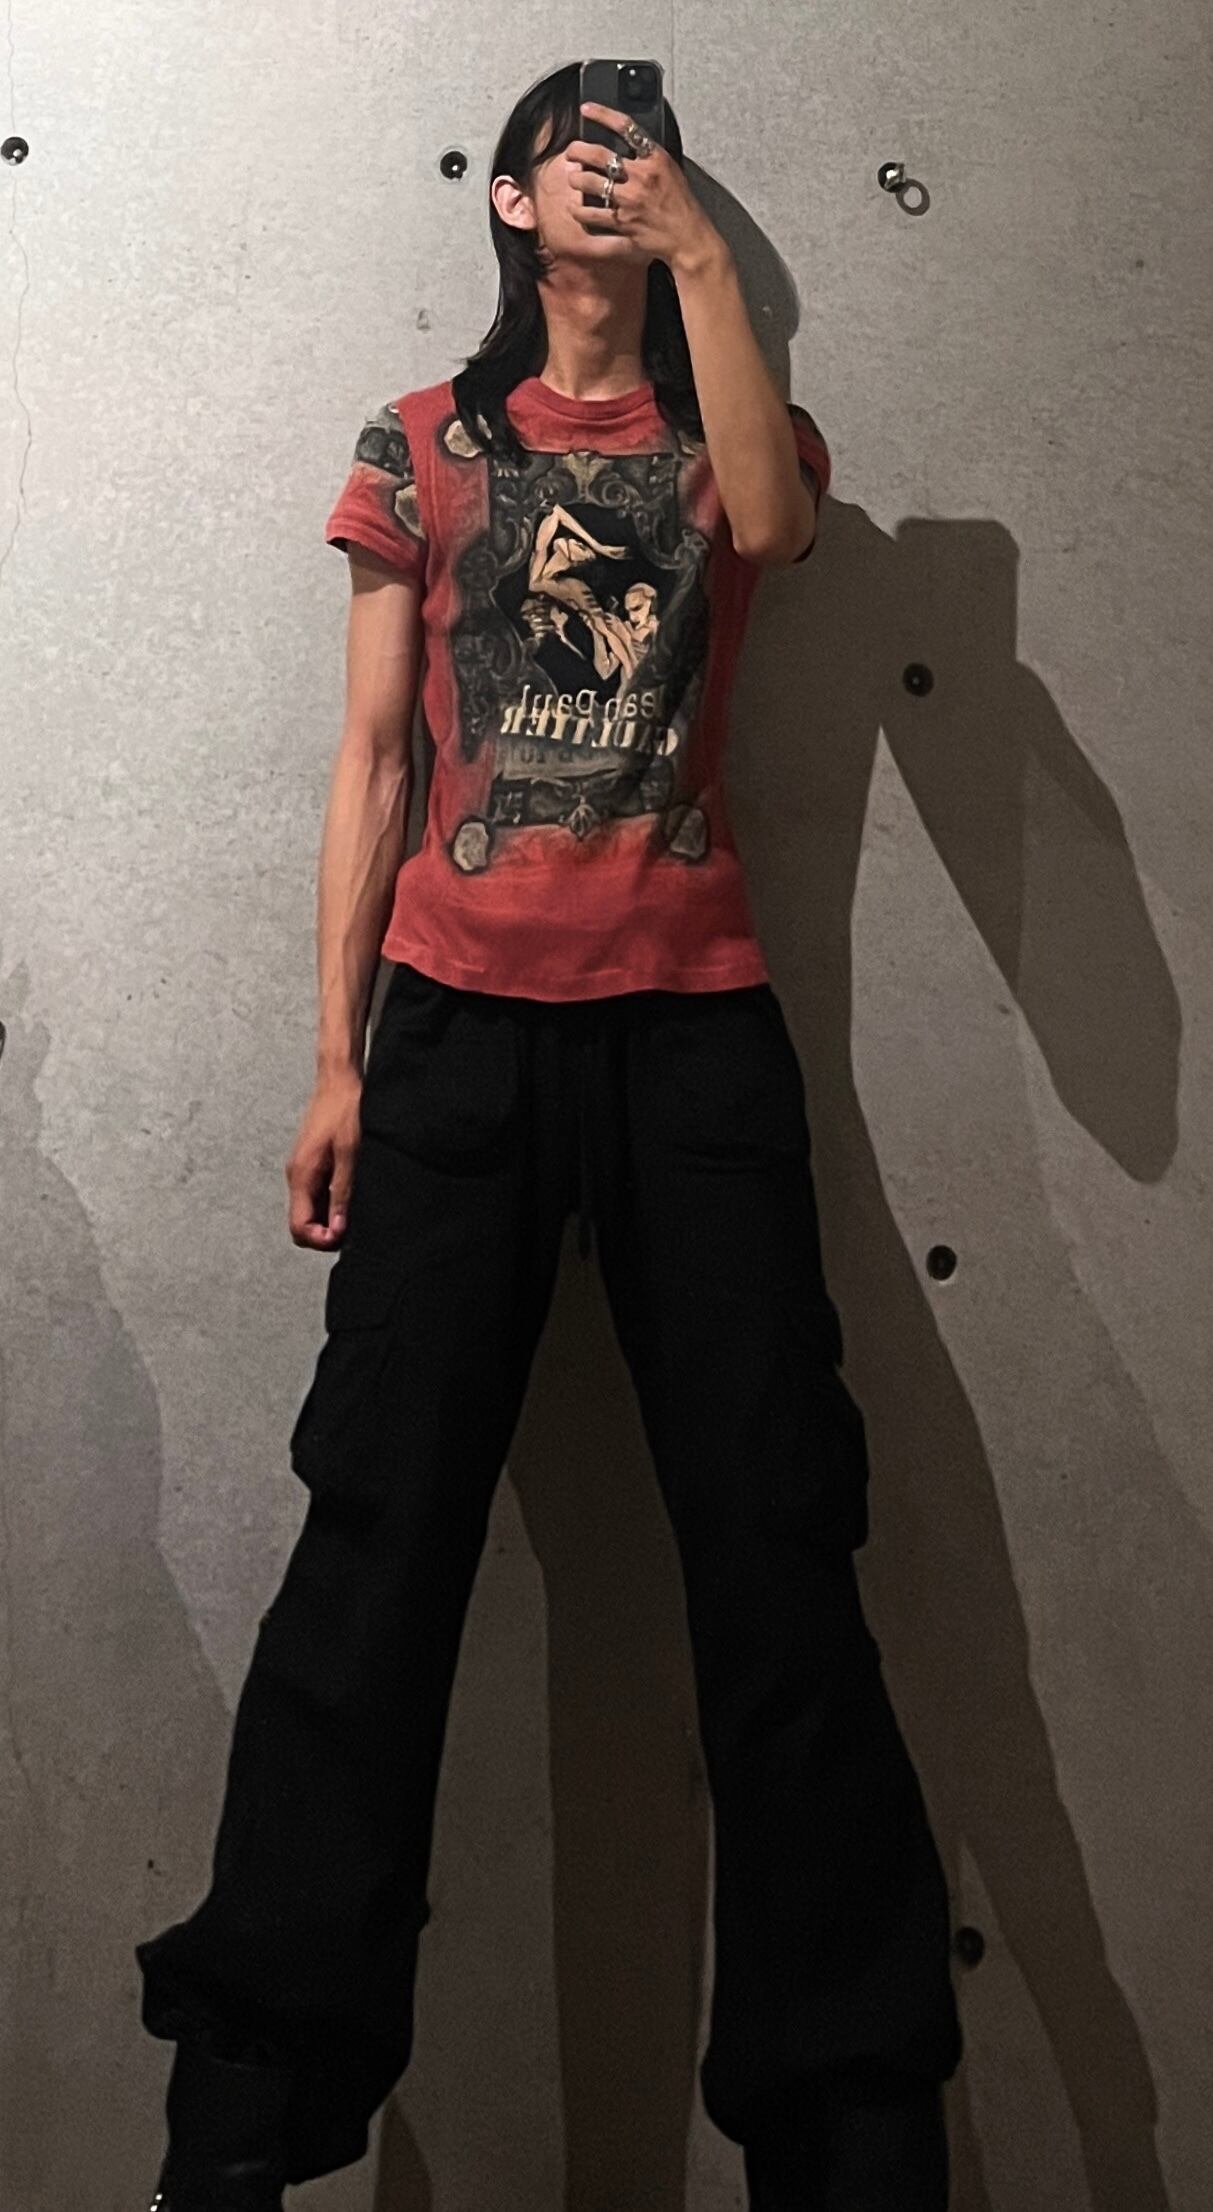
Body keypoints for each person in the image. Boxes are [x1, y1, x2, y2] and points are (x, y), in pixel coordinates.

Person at [135, 58, 963, 2212]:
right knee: (371, 1552)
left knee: (777, 1554)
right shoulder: (419, 442)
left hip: (692, 1047)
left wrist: (702, 261)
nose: (608, 171)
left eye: (641, 151)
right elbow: (373, 760)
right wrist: (334, 1058)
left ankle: (851, 2130)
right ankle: (240, 2122)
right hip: (456, 1049)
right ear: (507, 197)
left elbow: (774, 529)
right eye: (573, 151)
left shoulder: (723, 432)